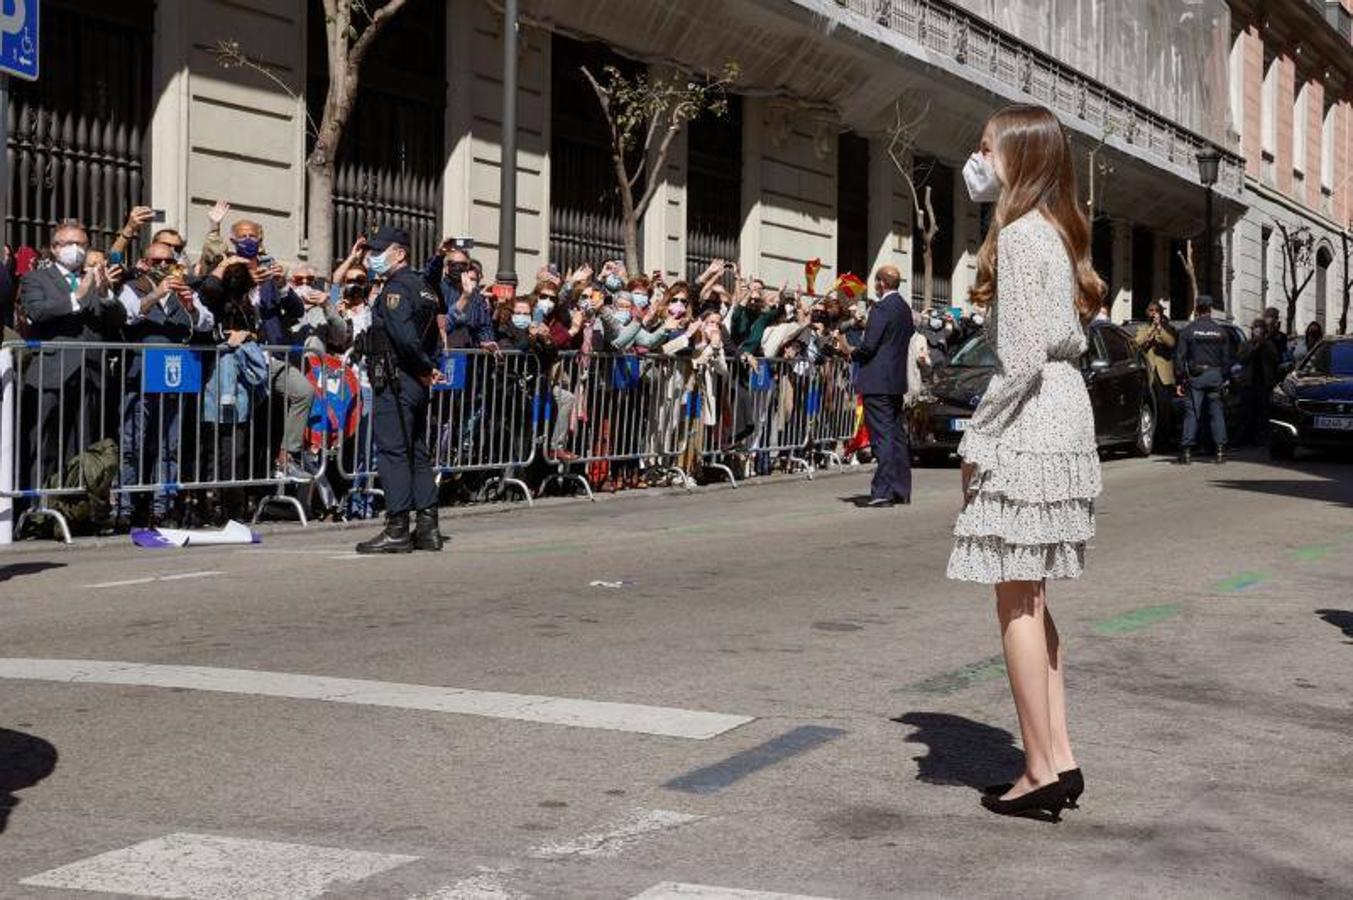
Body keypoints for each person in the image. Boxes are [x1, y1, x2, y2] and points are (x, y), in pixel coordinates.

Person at [947, 104, 1104, 821]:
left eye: (986, 147)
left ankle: (1039, 765)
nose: (977, 159)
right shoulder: (1052, 233)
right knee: (1031, 595)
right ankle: (1058, 754)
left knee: (1013, 595)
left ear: (1019, 158)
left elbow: (1016, 362)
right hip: (1063, 408)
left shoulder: (1017, 236)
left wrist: (975, 439)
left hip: (1032, 411)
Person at [355, 227, 446, 554]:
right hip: (414, 380)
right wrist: (429, 367)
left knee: (393, 451)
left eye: (379, 251)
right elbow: (435, 333)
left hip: (397, 378)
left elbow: (405, 338)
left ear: (400, 254)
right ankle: (427, 527)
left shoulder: (396, 289)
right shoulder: (425, 288)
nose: (371, 257)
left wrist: (424, 367)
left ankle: (397, 528)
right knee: (417, 451)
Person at [834, 264, 914, 507]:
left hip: (878, 381)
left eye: (876, 282)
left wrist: (849, 350)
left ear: (881, 283)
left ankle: (883, 491)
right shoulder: (903, 308)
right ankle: (900, 489)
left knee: (883, 437)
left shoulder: (881, 308)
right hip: (895, 381)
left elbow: (869, 346)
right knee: (896, 435)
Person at [1173, 294, 1234, 464]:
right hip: (1215, 376)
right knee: (1216, 412)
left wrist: (1179, 380)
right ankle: (1220, 450)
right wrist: (1225, 377)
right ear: (1211, 309)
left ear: (1196, 308)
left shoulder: (1188, 331)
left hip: (1196, 376)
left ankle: (1186, 451)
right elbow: (1227, 358)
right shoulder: (1221, 332)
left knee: (1192, 412)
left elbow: (1180, 357)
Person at [1234, 317, 1281, 447]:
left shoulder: (1269, 344)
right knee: (1247, 412)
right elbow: (1241, 359)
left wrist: (1265, 345)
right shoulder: (1246, 344)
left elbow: (1276, 359)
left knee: (1263, 412)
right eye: (1255, 328)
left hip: (1264, 383)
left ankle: (1262, 437)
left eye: (1260, 328)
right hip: (1248, 383)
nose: (1257, 331)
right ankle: (1245, 438)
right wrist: (1254, 349)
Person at [1134, 300, 1177, 439]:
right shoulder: (1142, 328)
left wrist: (1160, 329)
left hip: (1164, 376)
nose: (1153, 313)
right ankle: (1153, 437)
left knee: (1165, 410)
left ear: (1160, 313)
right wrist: (1151, 329)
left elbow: (1171, 343)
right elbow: (1137, 343)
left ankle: (1165, 439)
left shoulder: (1168, 328)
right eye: (1150, 311)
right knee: (1150, 407)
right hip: (1149, 373)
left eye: (1155, 311)